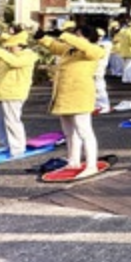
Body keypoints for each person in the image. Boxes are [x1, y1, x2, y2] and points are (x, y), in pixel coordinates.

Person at [38, 22, 106, 178]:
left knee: (84, 131)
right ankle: (73, 160)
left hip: (80, 95)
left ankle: (91, 164)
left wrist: (64, 35)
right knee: (69, 132)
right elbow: (55, 47)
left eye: (78, 35)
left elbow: (85, 47)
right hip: (64, 95)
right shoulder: (69, 50)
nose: (75, 38)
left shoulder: (94, 50)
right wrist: (42, 38)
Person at [0, 31, 37, 157]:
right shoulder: (7, 55)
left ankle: (18, 148)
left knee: (12, 121)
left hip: (14, 93)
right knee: (0, 122)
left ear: (20, 45)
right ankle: (6, 145)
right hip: (0, 93)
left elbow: (15, 62)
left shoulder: (28, 55)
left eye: (11, 46)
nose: (9, 48)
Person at [94, 27, 112, 114]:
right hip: (98, 68)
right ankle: (98, 105)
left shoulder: (103, 44)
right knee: (96, 88)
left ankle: (104, 106)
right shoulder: (103, 43)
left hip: (99, 68)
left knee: (99, 88)